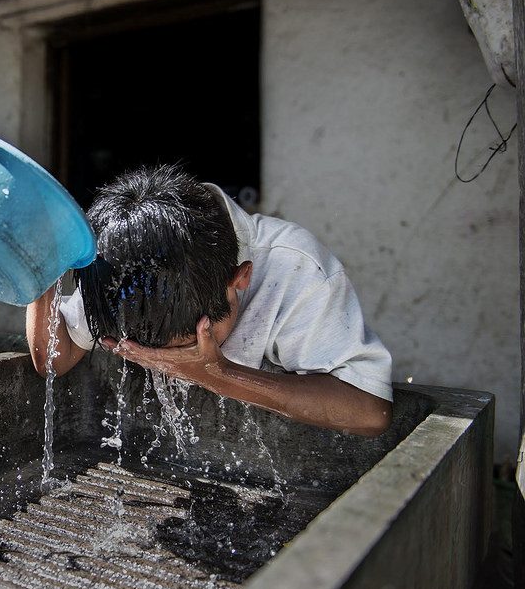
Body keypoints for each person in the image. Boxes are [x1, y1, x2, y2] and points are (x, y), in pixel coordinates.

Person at [27, 164, 393, 437]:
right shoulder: (119, 269)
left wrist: (218, 373)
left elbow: (370, 411)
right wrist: (39, 263)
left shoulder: (295, 267)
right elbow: (53, 361)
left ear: (240, 279)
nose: (165, 366)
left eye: (190, 346)